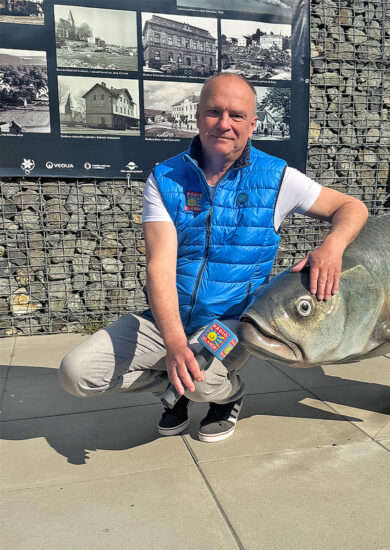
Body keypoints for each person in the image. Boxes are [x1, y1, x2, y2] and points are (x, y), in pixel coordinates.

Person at [59, 73, 368, 443]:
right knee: (76, 372)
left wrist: (331, 248)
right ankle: (175, 386)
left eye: (237, 115)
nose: (224, 123)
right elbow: (159, 267)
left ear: (252, 124)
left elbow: (352, 207)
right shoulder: (165, 178)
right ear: (197, 117)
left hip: (231, 323)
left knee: (203, 382)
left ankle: (227, 395)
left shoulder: (278, 178)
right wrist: (174, 344)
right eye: (213, 112)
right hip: (167, 319)